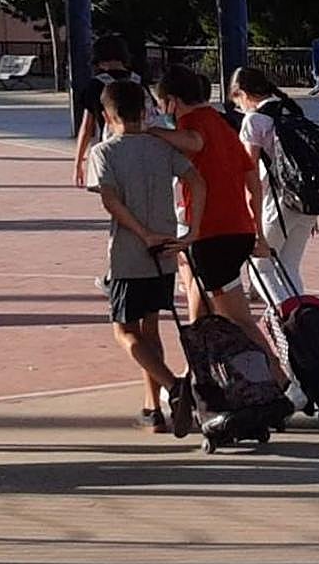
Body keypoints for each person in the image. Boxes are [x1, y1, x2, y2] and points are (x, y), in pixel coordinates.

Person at [150, 66, 307, 410]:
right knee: (200, 309)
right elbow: (250, 175)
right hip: (235, 229)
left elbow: (192, 142)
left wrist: (150, 132)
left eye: (162, 103)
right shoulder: (223, 124)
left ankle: (283, 380)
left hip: (212, 233)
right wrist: (253, 224)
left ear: (173, 102)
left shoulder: (194, 125)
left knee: (237, 316)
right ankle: (198, 378)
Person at [86, 79, 202, 437]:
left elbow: (110, 199)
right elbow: (196, 180)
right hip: (165, 247)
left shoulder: (105, 152)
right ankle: (153, 409)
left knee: (124, 329)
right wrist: (191, 230)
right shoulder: (159, 147)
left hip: (130, 251)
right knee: (151, 326)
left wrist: (141, 232)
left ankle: (172, 386)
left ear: (108, 115)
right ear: (143, 112)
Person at [229, 67, 317, 303]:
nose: (239, 107)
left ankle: (285, 320)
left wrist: (252, 219)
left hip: (276, 202)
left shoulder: (254, 121)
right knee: (289, 267)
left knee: (261, 266)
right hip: (305, 202)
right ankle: (304, 323)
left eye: (237, 100)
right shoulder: (291, 111)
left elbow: (249, 172)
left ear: (243, 93)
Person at [73, 35, 147, 187]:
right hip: (142, 148)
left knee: (113, 197)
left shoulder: (95, 85)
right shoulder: (138, 81)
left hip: (111, 148)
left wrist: (78, 163)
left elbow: (87, 127)